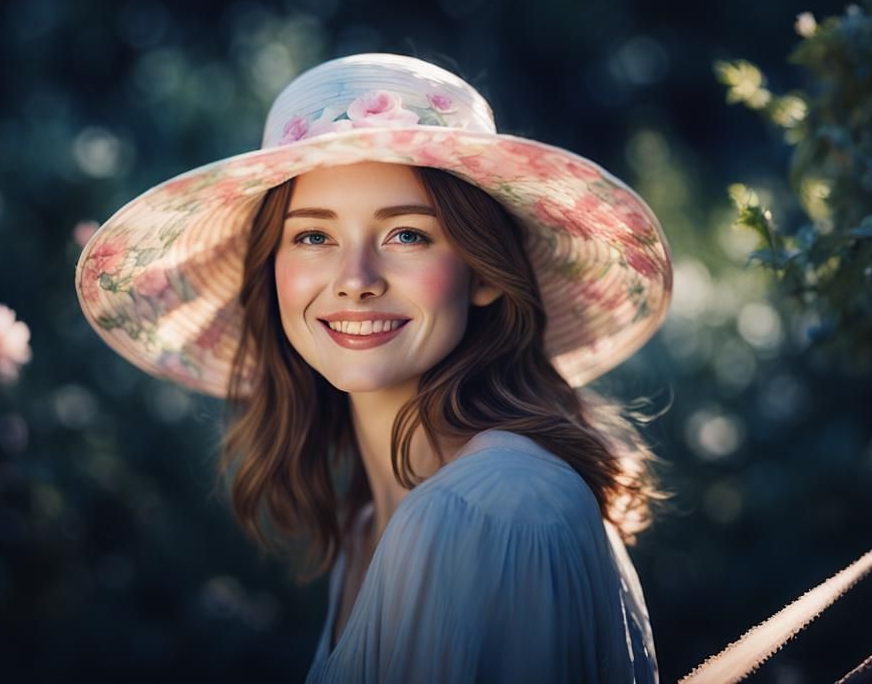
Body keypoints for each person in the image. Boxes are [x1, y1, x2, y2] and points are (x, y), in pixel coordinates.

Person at [75, 53, 674, 682]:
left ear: (483, 275)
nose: (356, 281)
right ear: (272, 272)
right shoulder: (368, 529)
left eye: (407, 235)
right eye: (312, 236)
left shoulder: (505, 508)